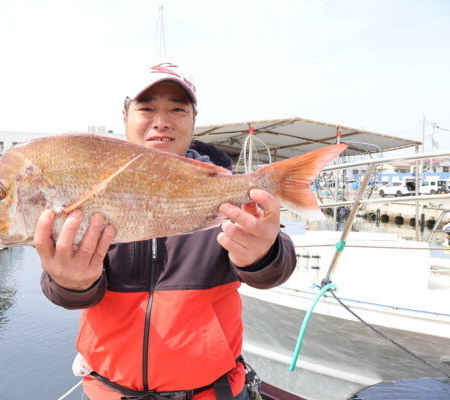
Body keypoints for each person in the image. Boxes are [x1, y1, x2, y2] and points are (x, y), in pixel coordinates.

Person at [35, 62, 297, 400]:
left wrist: (263, 255)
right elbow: (68, 296)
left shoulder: (225, 187)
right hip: (109, 392)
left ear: (193, 119)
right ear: (125, 117)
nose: (161, 121)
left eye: (177, 109)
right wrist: (70, 282)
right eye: (146, 109)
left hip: (212, 393)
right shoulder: (91, 189)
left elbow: (276, 271)